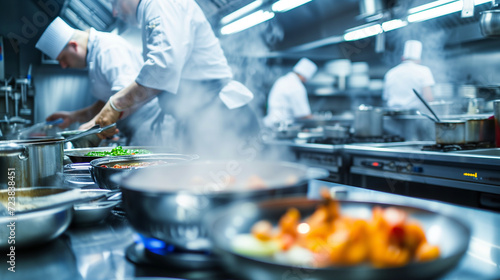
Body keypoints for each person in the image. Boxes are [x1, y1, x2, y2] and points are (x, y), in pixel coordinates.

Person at [83, 0, 260, 159]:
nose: (115, 12)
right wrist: (108, 115)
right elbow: (157, 82)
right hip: (205, 122)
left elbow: (162, 68)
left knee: (236, 189)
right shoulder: (153, 9)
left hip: (222, 120)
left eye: (115, 3)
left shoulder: (160, 3)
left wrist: (117, 104)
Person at [35, 17, 173, 146]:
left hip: (151, 129)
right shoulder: (95, 54)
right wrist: (73, 117)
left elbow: (122, 99)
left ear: (73, 46)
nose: (63, 66)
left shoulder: (108, 49)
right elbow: (108, 102)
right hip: (136, 130)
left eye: (62, 59)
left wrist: (91, 127)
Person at [263, 58, 318, 128]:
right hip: (283, 126)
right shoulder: (296, 86)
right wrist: (318, 121)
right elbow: (303, 115)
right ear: (304, 76)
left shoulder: (283, 80)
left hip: (272, 123)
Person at [383, 40, 435, 110]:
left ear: (403, 58)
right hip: (414, 115)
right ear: (419, 60)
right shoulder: (424, 71)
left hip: (392, 115)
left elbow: (386, 98)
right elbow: (428, 98)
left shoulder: (390, 73)